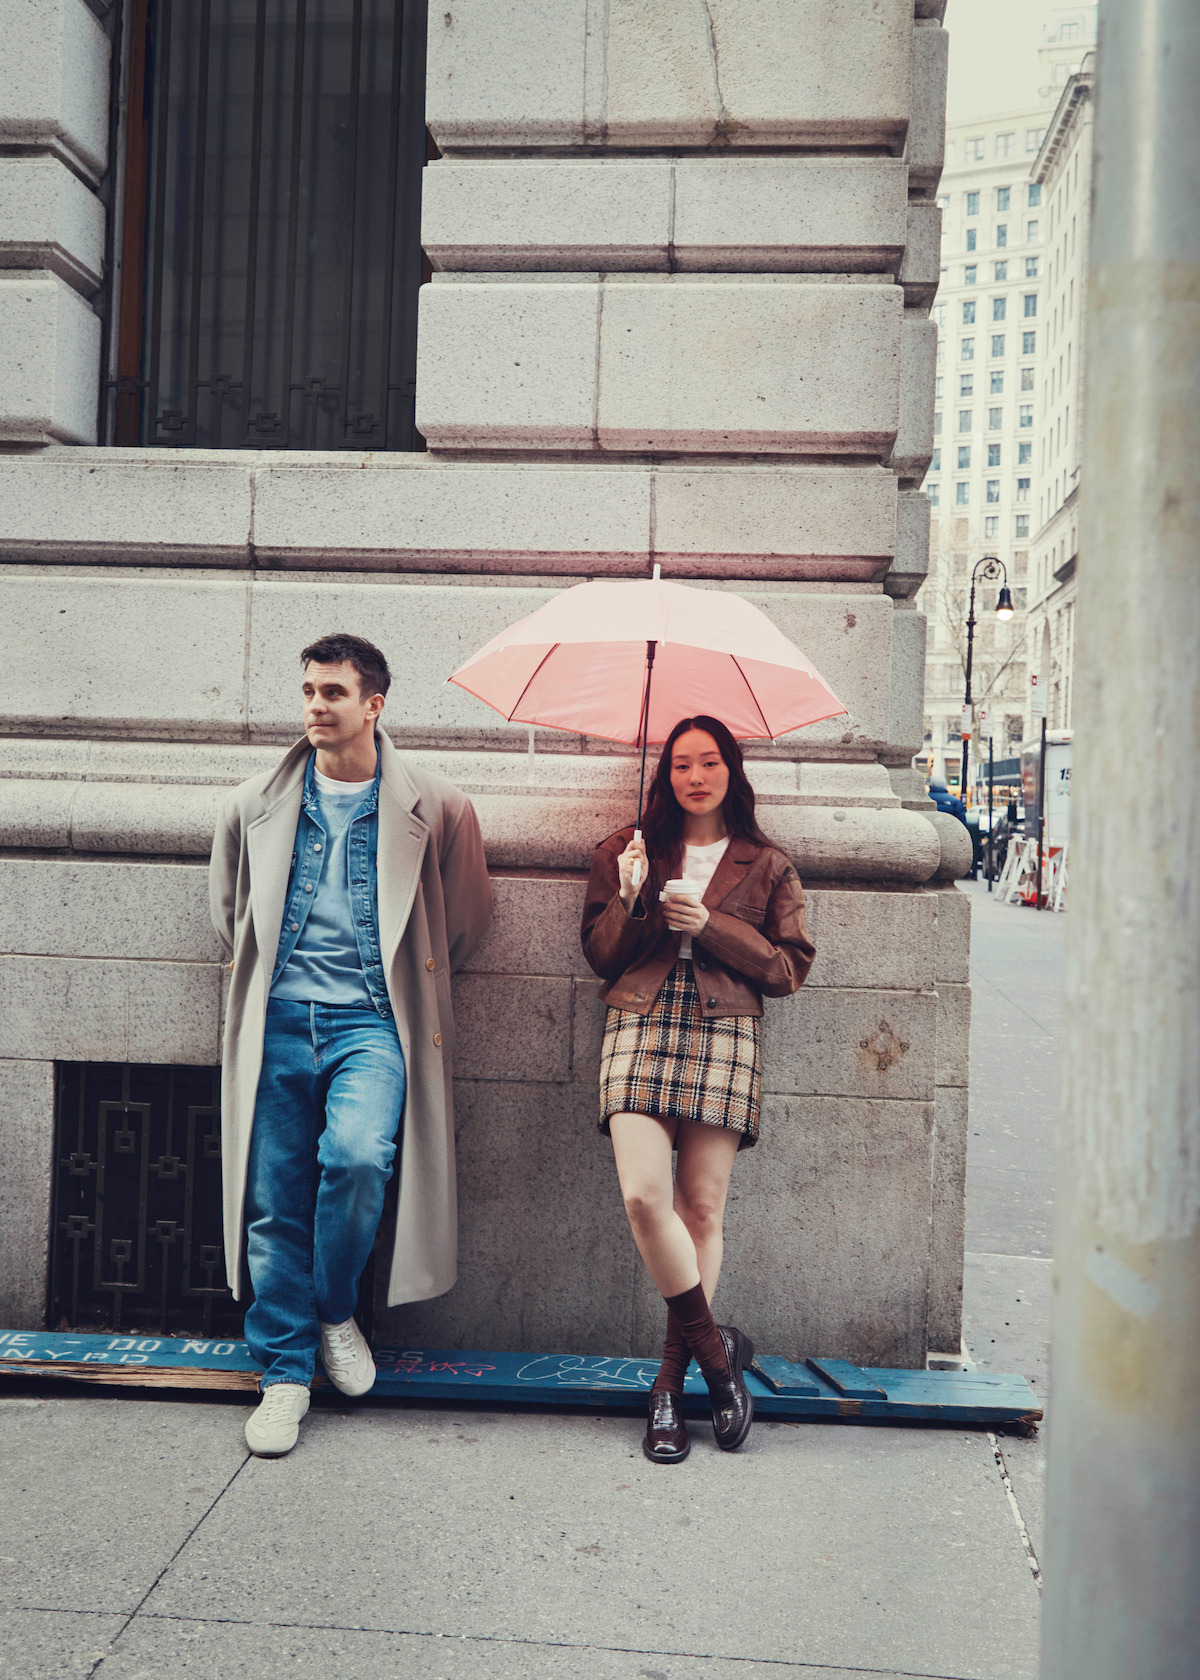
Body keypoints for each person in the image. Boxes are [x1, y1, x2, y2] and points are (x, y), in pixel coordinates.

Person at [209, 633, 492, 1457]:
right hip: (279, 1022)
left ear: (374, 704)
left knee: (362, 1158)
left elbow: (464, 922)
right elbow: (231, 913)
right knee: (273, 1204)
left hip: (373, 1022)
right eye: (307, 691)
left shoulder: (438, 807)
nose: (314, 707)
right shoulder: (252, 801)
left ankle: (334, 1307)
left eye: (332, 692)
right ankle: (286, 1376)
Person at [581, 716, 816, 1465]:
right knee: (646, 1198)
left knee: (702, 1207)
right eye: (680, 763)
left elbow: (787, 971)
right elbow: (601, 957)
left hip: (726, 1025)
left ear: (730, 771)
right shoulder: (628, 850)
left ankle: (669, 1389)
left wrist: (710, 924)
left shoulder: (768, 862)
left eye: (708, 761)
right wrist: (630, 898)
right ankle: (720, 1365)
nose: (693, 775)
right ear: (666, 775)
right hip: (641, 1018)